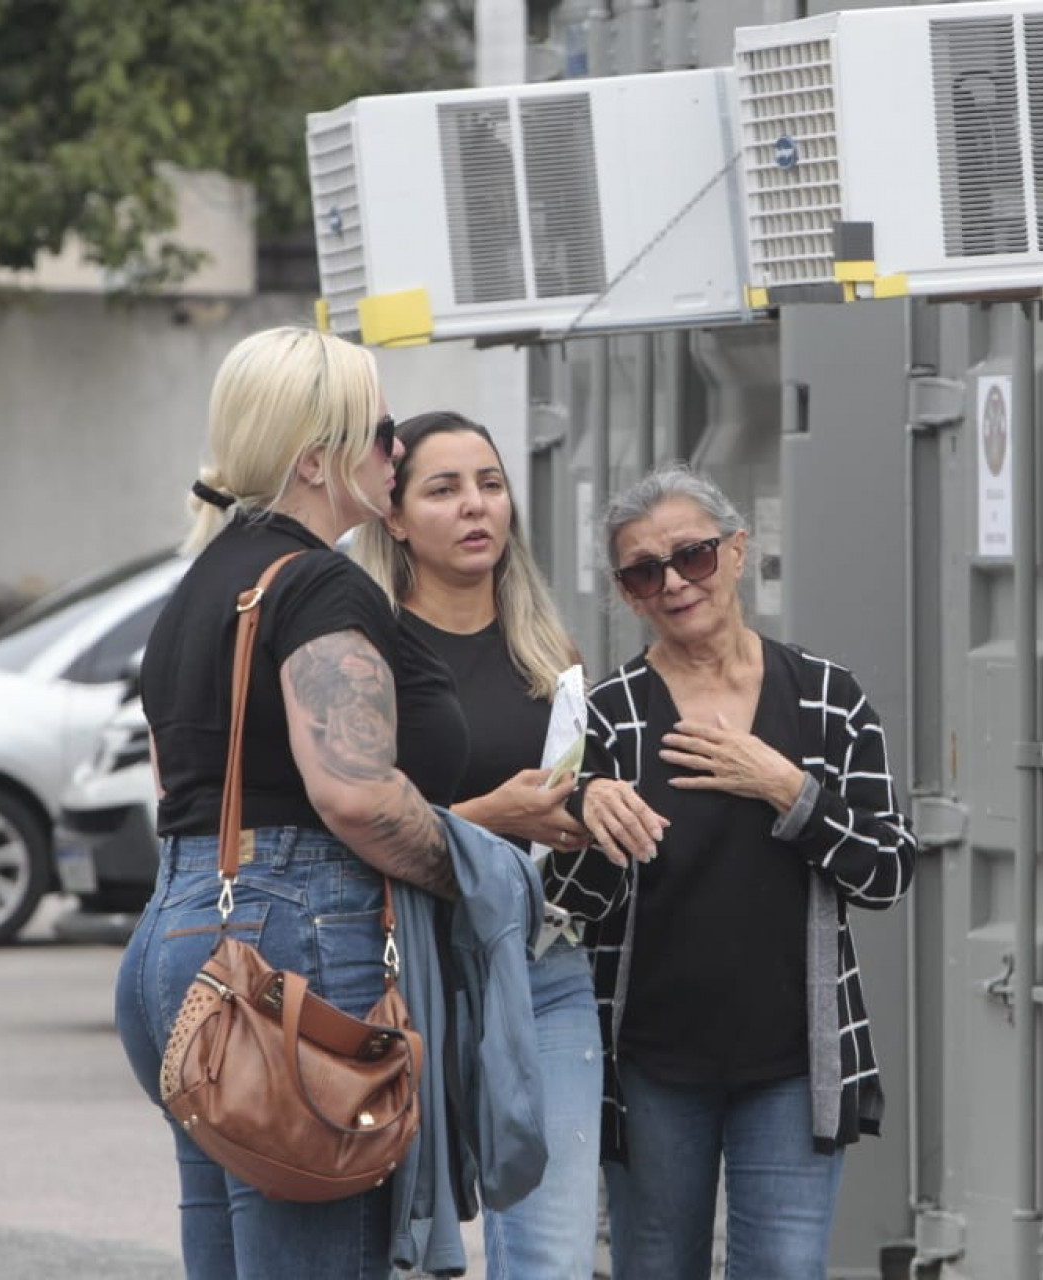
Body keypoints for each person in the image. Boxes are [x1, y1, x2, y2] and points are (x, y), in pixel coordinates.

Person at [114, 326, 466, 1280]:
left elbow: (173, 785)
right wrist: (472, 865)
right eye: (383, 431)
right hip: (293, 935)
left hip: (181, 935)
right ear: (320, 458)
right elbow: (351, 794)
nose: (398, 451)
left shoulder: (198, 585)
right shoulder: (316, 584)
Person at [553, 462, 917, 1280]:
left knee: (786, 1269)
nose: (676, 583)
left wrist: (786, 787)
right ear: (627, 593)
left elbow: (888, 872)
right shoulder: (608, 716)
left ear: (739, 550)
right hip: (651, 1062)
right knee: (654, 1267)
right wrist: (585, 812)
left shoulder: (827, 698)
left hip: (792, 1063)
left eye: (695, 556)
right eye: (646, 571)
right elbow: (567, 910)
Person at [350, 410, 602, 1278]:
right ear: (394, 515)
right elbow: (350, 818)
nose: (475, 507)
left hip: (542, 970)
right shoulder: (366, 647)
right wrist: (486, 819)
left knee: (553, 1255)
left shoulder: (549, 653)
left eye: (490, 485)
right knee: (402, 1246)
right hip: (406, 972)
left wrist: (596, 811)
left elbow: (563, 803)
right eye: (444, 488)